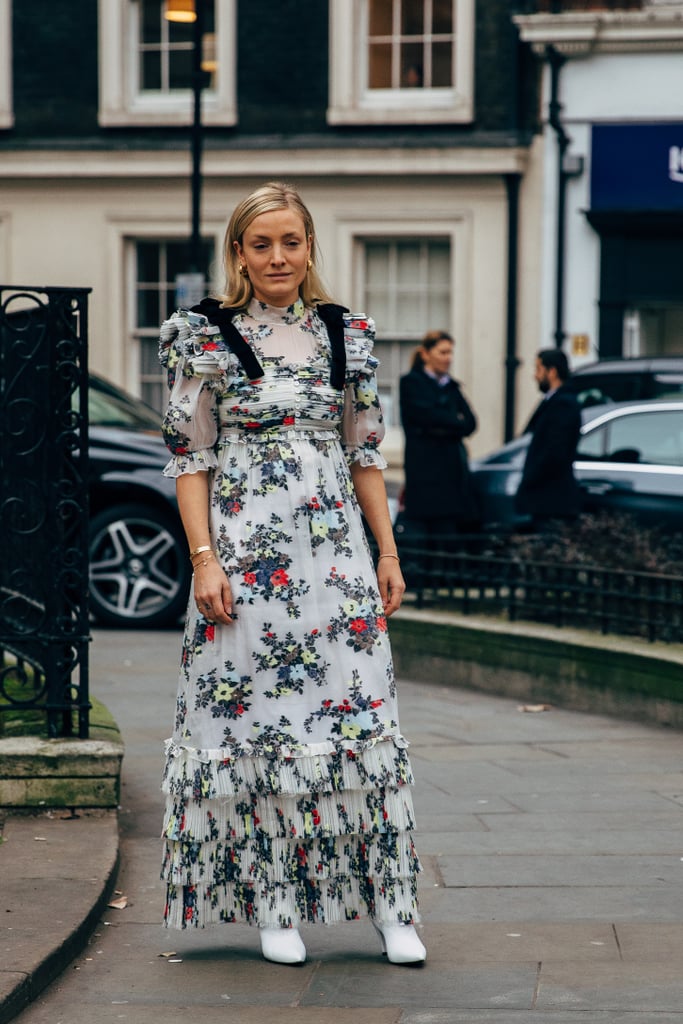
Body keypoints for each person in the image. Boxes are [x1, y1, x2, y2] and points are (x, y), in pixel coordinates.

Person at [157, 181, 425, 967]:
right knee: (257, 729)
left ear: (309, 247)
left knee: (358, 722)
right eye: (261, 243)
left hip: (336, 560)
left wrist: (386, 552)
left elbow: (366, 453)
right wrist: (203, 560)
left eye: (291, 242)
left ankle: (390, 905)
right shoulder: (199, 334)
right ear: (238, 253)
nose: (278, 257)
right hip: (244, 562)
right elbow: (191, 460)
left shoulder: (349, 334)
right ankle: (273, 902)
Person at [398, 331, 479, 570]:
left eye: (450, 352)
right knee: (425, 531)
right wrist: (451, 423)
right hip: (424, 470)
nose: (448, 358)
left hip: (451, 471)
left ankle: (445, 580)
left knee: (448, 532)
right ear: (426, 354)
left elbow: (471, 423)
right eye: (443, 352)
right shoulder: (411, 383)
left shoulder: (451, 386)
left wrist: (444, 424)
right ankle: (426, 582)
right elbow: (425, 417)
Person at [515, 348, 582, 531]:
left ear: (551, 371)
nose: (535, 376)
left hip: (552, 498)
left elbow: (555, 451)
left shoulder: (563, 404)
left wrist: (531, 477)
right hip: (548, 497)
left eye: (538, 369)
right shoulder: (553, 401)